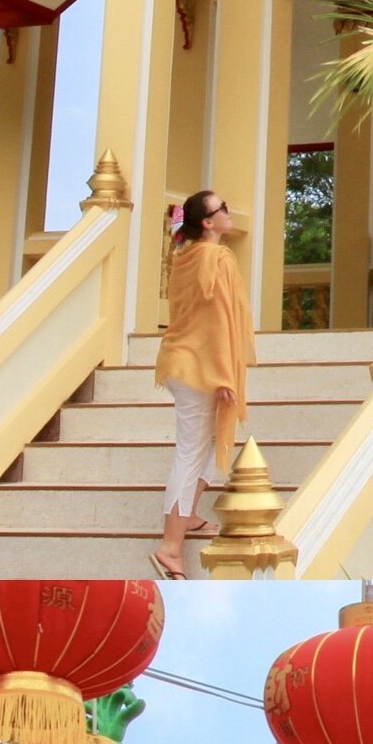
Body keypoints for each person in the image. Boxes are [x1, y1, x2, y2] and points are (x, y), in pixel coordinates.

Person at [154, 189, 250, 577]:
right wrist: (225, 374)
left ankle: (188, 515)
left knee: (203, 448)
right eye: (222, 209)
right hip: (201, 365)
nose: (229, 212)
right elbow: (217, 320)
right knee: (191, 452)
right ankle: (169, 547)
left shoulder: (185, 256)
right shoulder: (216, 258)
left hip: (183, 360)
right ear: (208, 223)